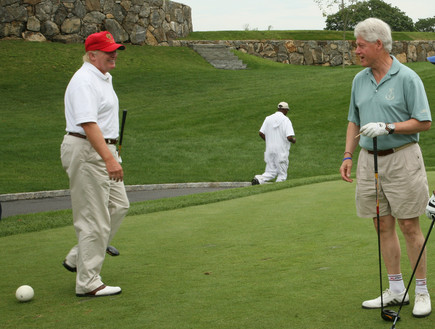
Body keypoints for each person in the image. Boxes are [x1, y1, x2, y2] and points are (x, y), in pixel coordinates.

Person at [339, 18, 432, 318]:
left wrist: (389, 126)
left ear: (378, 44)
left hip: (402, 157)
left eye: (361, 45)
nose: (357, 51)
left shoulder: (407, 78)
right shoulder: (359, 80)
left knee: (409, 225)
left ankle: (420, 291)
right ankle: (395, 289)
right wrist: (347, 155)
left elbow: (424, 121)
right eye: (356, 45)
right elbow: (354, 119)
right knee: (381, 224)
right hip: (369, 159)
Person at [60, 31, 130, 297]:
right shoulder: (84, 81)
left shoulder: (103, 77)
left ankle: (78, 257)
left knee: (119, 205)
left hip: (101, 149)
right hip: (88, 150)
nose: (113, 55)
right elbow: (88, 124)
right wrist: (109, 158)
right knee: (94, 219)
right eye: (107, 51)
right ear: (92, 55)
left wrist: (112, 153)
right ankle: (88, 281)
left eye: (114, 50)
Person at [252, 102, 296, 185]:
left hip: (269, 150)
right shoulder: (286, 120)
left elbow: (261, 133)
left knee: (270, 172)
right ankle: (278, 191)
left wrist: (268, 141)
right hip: (281, 151)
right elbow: (289, 137)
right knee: (282, 175)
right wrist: (293, 140)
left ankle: (259, 179)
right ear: (285, 110)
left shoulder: (268, 118)